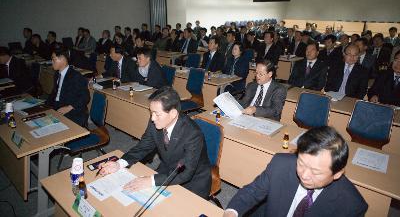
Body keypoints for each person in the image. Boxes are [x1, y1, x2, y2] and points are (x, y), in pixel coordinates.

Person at [223, 126, 368, 217]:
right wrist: (231, 212)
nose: (304, 175)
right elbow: (252, 191)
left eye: (315, 172)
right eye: (301, 163)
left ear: (337, 173)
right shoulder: (281, 164)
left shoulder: (352, 205)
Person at [99, 86, 211, 198]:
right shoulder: (155, 121)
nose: (152, 118)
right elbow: (143, 147)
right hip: (168, 168)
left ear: (173, 114)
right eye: (151, 112)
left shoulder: (192, 133)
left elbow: (186, 172)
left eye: (157, 114)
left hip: (193, 180)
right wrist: (119, 164)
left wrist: (150, 181)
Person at [45, 45, 90, 127]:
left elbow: (85, 97)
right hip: (58, 105)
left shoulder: (75, 76)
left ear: (62, 59)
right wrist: (44, 106)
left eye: (53, 59)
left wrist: (69, 107)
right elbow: (54, 92)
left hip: (72, 110)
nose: (52, 62)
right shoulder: (57, 74)